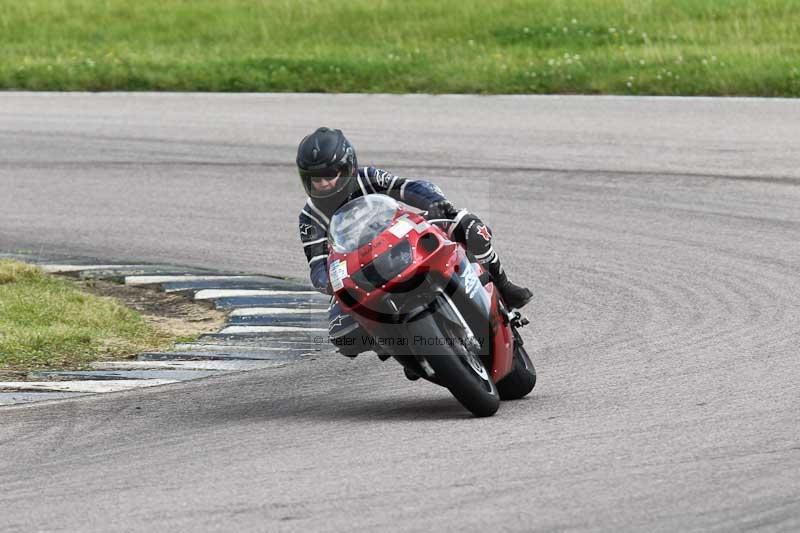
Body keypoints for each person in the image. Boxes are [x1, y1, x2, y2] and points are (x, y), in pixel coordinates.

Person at [296, 127, 532, 357]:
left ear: (347, 167)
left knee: (469, 225)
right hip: (359, 270)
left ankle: (504, 284)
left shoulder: (367, 177)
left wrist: (437, 203)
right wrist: (330, 282)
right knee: (341, 333)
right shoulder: (309, 217)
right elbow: (316, 266)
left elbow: (409, 187)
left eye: (329, 175)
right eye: (316, 178)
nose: (323, 183)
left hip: (400, 238)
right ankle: (398, 346)